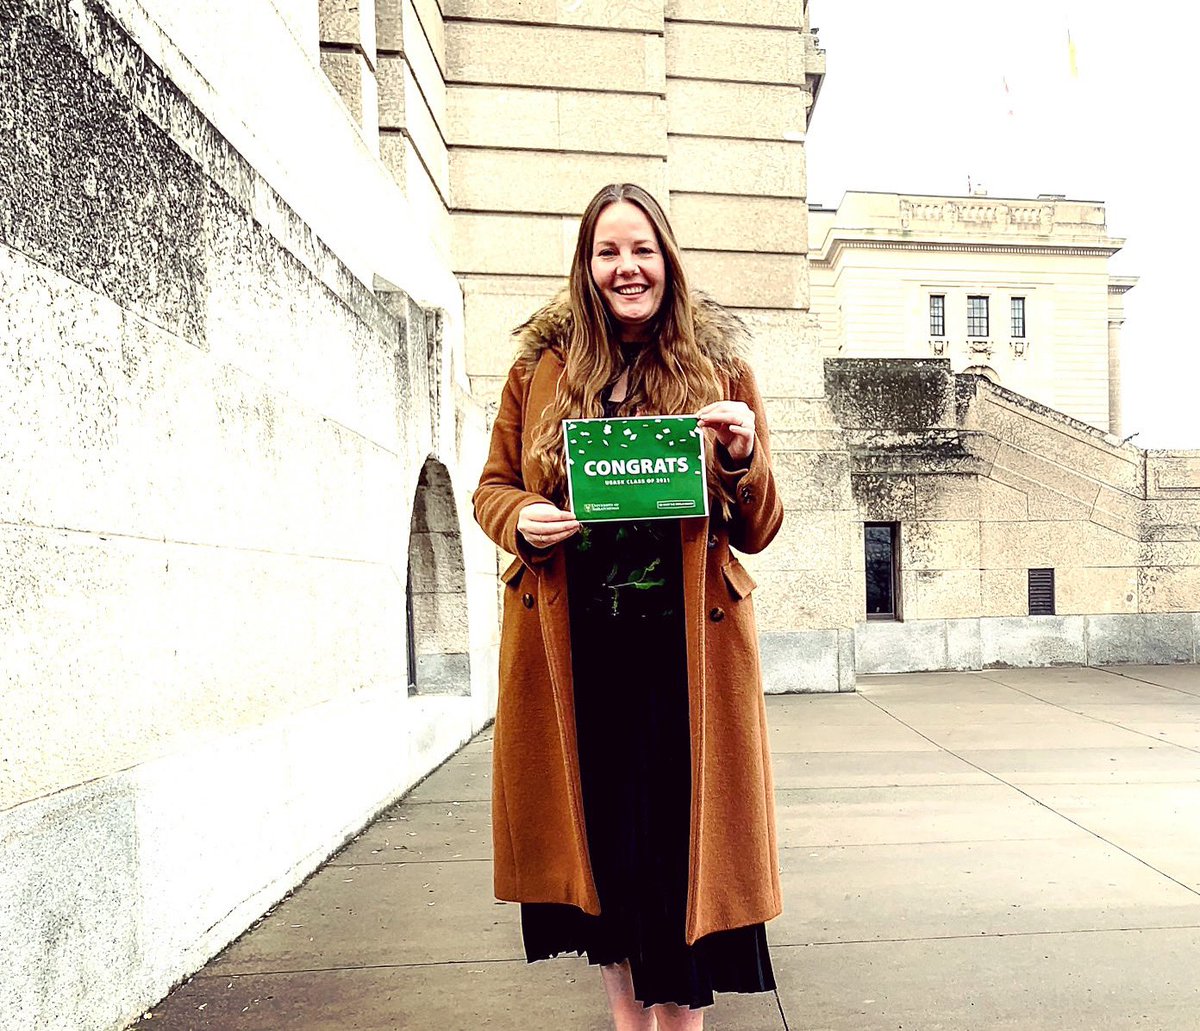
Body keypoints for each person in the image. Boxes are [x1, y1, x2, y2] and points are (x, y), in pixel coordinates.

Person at [473, 183, 783, 1030]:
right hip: (580, 659)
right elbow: (491, 488)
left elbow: (759, 528)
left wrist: (742, 457)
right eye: (608, 252)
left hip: (686, 665)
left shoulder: (722, 372)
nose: (626, 268)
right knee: (606, 864)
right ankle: (624, 1023)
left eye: (640, 249)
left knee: (680, 870)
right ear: (586, 266)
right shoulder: (538, 370)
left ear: (667, 259)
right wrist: (521, 518)